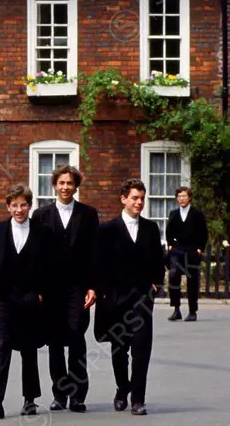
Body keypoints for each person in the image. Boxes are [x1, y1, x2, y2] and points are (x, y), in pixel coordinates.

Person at [0, 184, 48, 420]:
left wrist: (41, 292)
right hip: (1, 299)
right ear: (8, 206)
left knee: (28, 349)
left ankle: (30, 399)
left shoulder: (42, 232)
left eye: (23, 205)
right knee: (0, 348)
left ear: (29, 205)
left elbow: (51, 267)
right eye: (14, 205)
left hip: (28, 297)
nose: (19, 209)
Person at [93, 178, 165, 417]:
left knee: (142, 350)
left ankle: (138, 399)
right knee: (119, 350)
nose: (139, 202)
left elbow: (158, 261)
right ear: (123, 199)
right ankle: (122, 389)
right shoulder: (107, 230)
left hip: (142, 300)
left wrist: (155, 285)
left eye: (142, 198)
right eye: (135, 198)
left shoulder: (151, 228)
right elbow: (99, 263)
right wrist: (103, 292)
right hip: (115, 299)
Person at [31, 164, 98, 412]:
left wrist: (93, 286)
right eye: (62, 183)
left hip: (78, 287)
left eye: (70, 183)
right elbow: (35, 255)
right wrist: (36, 287)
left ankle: (78, 395)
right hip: (50, 289)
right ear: (54, 185)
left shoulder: (88, 214)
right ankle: (59, 394)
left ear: (76, 186)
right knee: (55, 342)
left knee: (77, 338)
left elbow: (94, 253)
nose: (66, 187)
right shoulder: (41, 215)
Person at [165, 186, 209, 322]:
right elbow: (169, 231)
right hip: (177, 251)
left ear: (189, 198)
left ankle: (192, 311)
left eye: (184, 196)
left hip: (192, 251)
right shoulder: (173, 213)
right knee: (173, 277)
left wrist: (200, 248)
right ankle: (176, 309)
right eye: (179, 196)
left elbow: (204, 232)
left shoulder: (197, 214)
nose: (181, 199)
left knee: (192, 281)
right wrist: (170, 244)